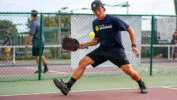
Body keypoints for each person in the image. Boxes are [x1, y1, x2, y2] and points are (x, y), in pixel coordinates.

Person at [53, 0, 148, 95]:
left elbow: (130, 30)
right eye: (94, 10)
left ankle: (141, 83)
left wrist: (134, 46)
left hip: (116, 50)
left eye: (98, 9)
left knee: (128, 71)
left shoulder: (113, 19)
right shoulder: (95, 23)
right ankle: (67, 87)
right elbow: (96, 40)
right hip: (103, 49)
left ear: (103, 8)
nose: (97, 12)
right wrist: (85, 44)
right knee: (83, 62)